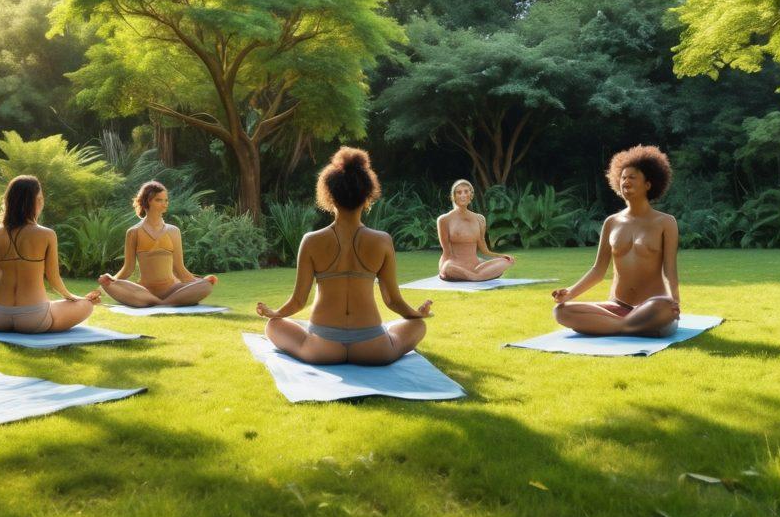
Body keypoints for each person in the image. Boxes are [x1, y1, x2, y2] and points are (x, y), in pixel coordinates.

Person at [255, 147, 432, 365]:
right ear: (367, 197)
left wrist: (275, 312)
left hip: (322, 348)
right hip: (373, 348)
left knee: (273, 325)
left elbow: (299, 301)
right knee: (418, 326)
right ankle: (391, 333)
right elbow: (393, 301)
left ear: (329, 197)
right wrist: (416, 314)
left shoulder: (311, 241)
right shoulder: (382, 240)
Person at [552, 145, 681, 337]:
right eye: (623, 177)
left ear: (648, 184)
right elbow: (598, 270)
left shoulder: (666, 222)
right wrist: (569, 293)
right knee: (561, 312)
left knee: (663, 309)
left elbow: (669, 270)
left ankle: (612, 326)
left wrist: (674, 302)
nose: (625, 181)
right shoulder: (611, 222)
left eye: (632, 177)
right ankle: (629, 326)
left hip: (653, 304)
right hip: (617, 305)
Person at [0, 175, 101, 333]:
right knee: (87, 305)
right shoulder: (47, 234)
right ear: (36, 201)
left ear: (9, 201)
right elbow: (54, 279)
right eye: (40, 198)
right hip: (34, 318)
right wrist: (74, 298)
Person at [99, 181, 217, 307]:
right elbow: (128, 268)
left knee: (206, 285)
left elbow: (180, 269)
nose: (164, 204)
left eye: (166, 200)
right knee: (106, 282)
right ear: (147, 201)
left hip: (172, 290)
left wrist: (197, 283)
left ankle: (158, 303)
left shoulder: (173, 231)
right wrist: (111, 281)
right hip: (144, 291)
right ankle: (163, 302)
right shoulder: (133, 232)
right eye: (159, 200)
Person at [437, 179, 514, 281]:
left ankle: (475, 275)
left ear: (471, 195)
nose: (463, 195)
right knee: (448, 268)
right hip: (454, 265)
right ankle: (478, 276)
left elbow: (484, 249)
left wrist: (500, 255)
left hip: (476, 264)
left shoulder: (480, 219)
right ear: (453, 196)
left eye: (466, 191)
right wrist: (443, 268)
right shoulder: (444, 219)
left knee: (506, 262)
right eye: (459, 192)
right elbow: (446, 251)